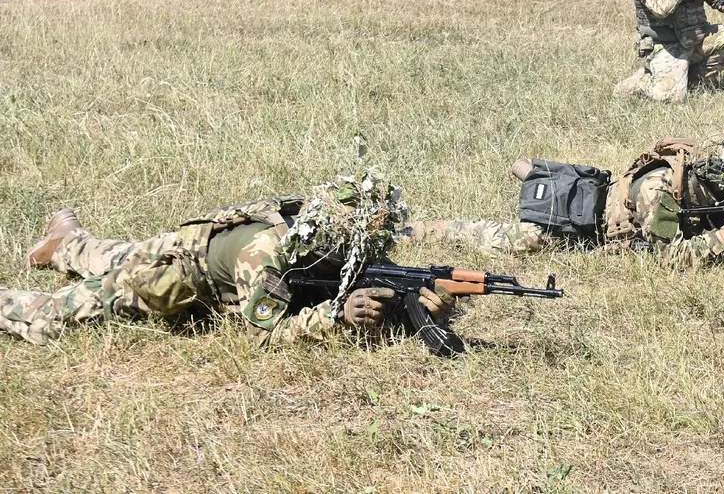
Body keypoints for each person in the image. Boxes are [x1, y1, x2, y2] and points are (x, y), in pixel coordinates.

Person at [0, 171, 534, 347]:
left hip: (215, 266)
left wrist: (423, 306)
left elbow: (361, 283)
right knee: (61, 311)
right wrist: (335, 317)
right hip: (180, 272)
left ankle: (65, 241)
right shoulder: (270, 255)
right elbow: (263, 335)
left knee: (112, 252)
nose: (370, 249)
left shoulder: (345, 243)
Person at [503, 129, 724, 269]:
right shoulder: (659, 191)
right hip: (587, 228)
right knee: (515, 241)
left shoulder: (723, 190)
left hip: (668, 225)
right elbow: (670, 258)